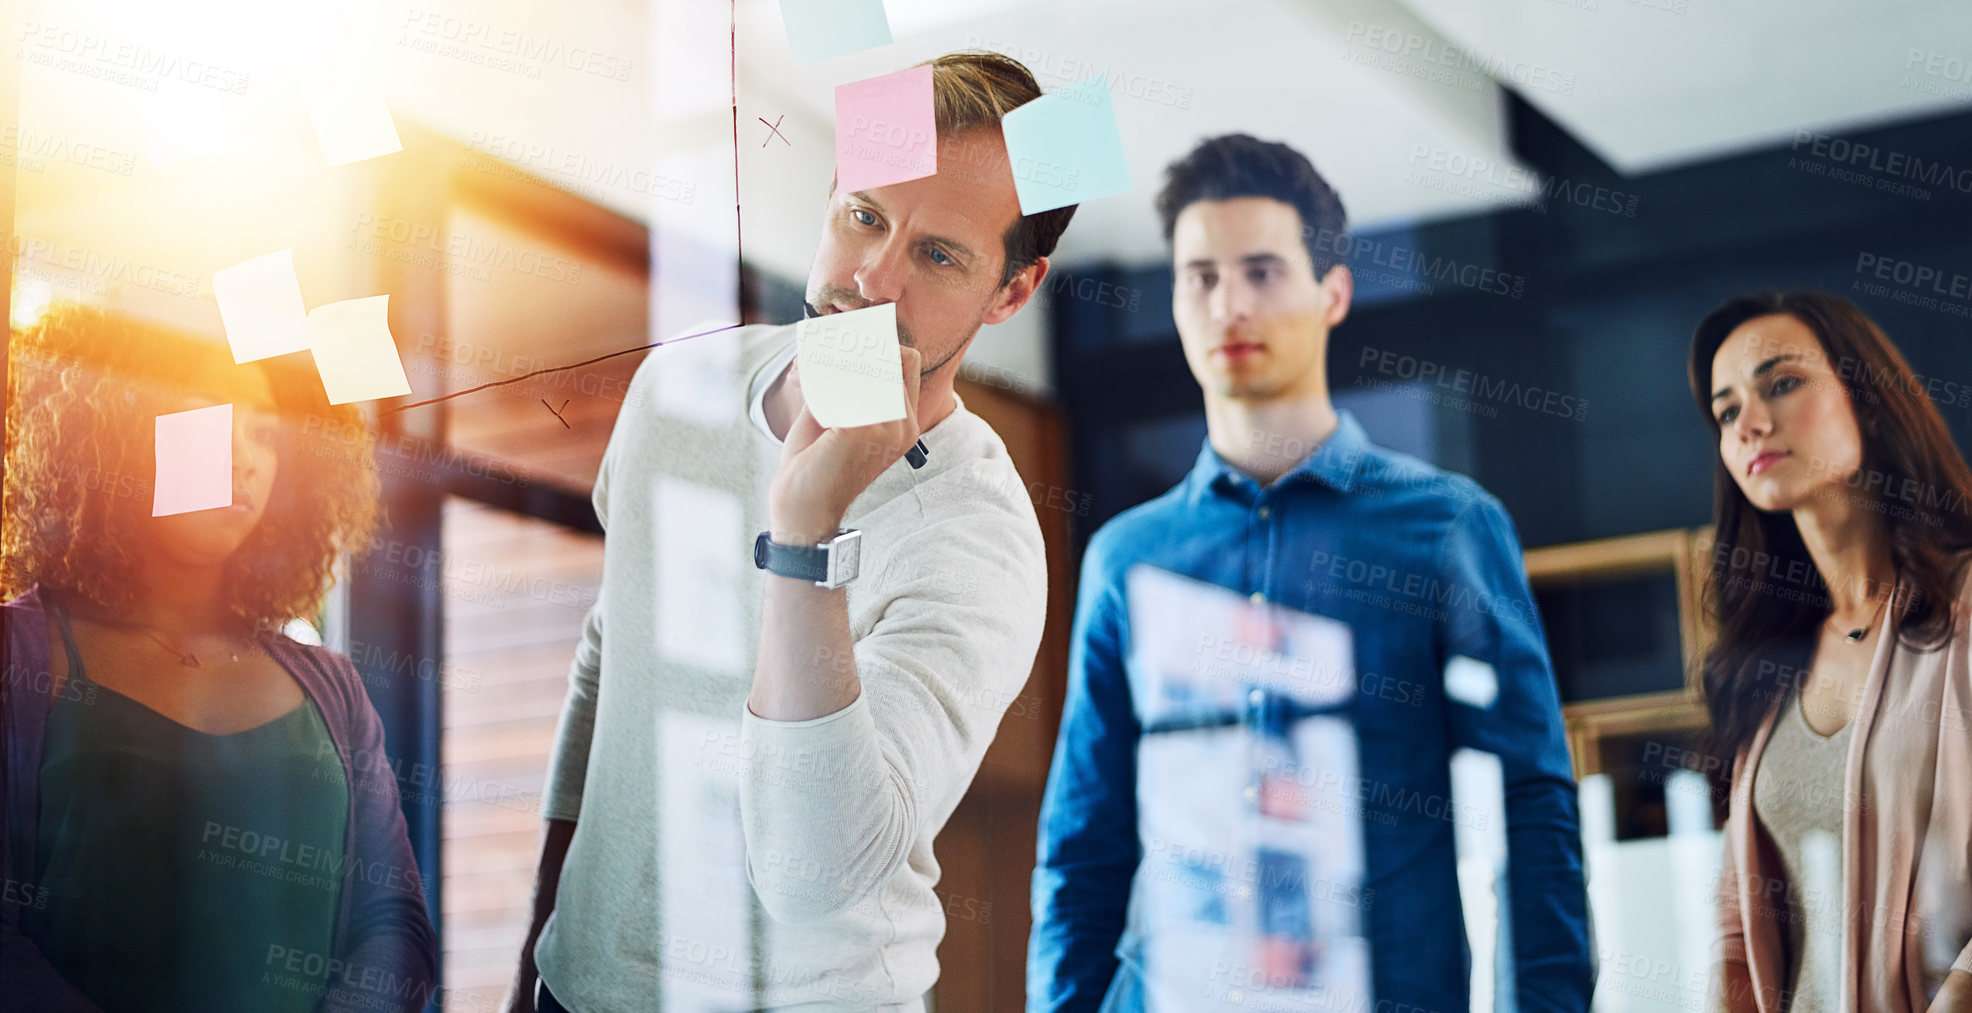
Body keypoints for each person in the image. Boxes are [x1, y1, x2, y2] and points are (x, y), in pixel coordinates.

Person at [502, 51, 1075, 1013]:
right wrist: (545, 946)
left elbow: (814, 874)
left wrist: (809, 534)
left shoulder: (983, 538)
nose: (870, 279)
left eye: (939, 255)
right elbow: (613, 653)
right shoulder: (678, 388)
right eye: (864, 216)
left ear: (1013, 292)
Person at [1028, 134, 1594, 1012]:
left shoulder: (1445, 528)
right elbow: (1083, 845)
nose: (1228, 306)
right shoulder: (1127, 561)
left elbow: (1533, 807)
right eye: (1200, 277)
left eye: (1261, 271)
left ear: (1334, 291)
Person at [0, 306, 437, 1012]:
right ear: (120, 430)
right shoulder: (16, 655)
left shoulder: (332, 688)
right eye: (210, 415)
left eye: (266, 431)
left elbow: (393, 923)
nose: (245, 456)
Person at [1692, 291, 1972, 1013]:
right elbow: (1737, 933)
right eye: (1726, 411)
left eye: (1782, 383)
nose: (1750, 423)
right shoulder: (1765, 659)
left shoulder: (1965, 605)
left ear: (1870, 404)